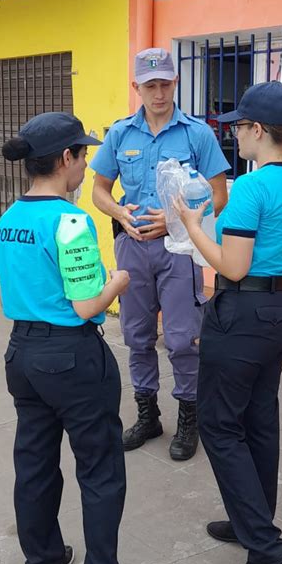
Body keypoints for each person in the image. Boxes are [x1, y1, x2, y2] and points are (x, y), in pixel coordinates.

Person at [174, 80, 282, 564]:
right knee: (258, 418)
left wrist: (193, 225)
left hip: (243, 316)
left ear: (258, 130)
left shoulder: (253, 188)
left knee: (218, 424)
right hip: (281, 311)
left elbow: (232, 264)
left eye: (238, 125)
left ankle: (266, 546)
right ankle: (250, 518)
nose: (234, 133)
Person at [0, 112, 135, 564]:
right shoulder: (71, 221)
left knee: (33, 461)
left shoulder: (10, 218)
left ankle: (42, 562)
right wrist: (118, 282)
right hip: (72, 357)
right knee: (99, 466)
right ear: (64, 159)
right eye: (82, 154)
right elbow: (86, 305)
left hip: (23, 356)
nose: (85, 164)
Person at [91, 48, 230, 461]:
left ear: (175, 84)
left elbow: (219, 196)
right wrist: (119, 211)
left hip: (178, 251)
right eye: (150, 85)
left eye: (165, 84)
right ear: (137, 87)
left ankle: (190, 417)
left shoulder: (197, 135)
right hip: (132, 248)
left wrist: (173, 220)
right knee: (136, 337)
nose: (159, 93)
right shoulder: (120, 134)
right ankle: (147, 414)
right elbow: (99, 190)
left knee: (184, 339)